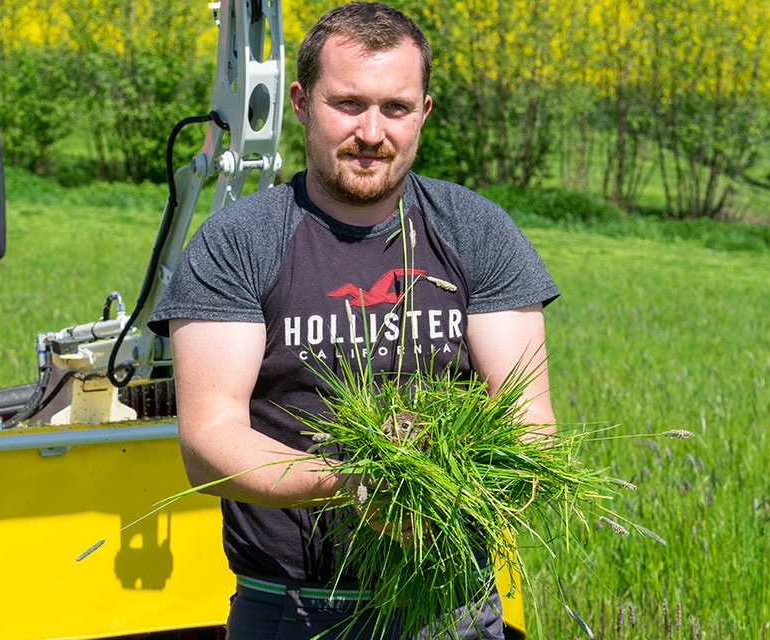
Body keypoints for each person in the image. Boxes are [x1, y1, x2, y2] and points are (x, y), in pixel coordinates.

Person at [148, 2, 559, 638]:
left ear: (423, 112)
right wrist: (351, 481)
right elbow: (208, 445)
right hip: (291, 609)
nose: (372, 131)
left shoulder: (477, 233)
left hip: (452, 602)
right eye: (348, 104)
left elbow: (531, 429)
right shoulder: (240, 242)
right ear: (302, 102)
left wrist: (449, 487)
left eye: (395, 108)